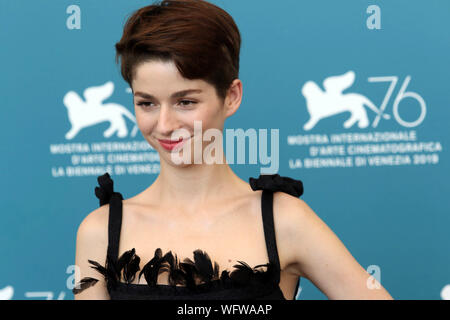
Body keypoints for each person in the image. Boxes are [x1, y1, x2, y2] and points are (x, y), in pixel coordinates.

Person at [73, 0, 393, 300]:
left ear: (231, 96)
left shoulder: (284, 220)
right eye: (147, 103)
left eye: (186, 101)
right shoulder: (100, 232)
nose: (165, 123)